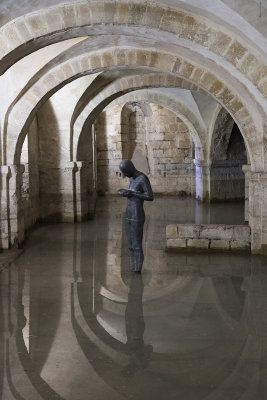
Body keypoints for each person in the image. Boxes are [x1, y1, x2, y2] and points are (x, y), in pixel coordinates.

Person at [118, 160, 154, 273]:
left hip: (137, 215)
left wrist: (132, 193)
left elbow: (150, 196)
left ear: (130, 169)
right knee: (131, 246)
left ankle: (137, 271)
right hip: (128, 214)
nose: (124, 175)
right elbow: (132, 192)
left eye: (125, 172)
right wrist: (125, 192)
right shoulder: (131, 178)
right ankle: (133, 268)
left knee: (137, 246)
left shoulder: (142, 178)